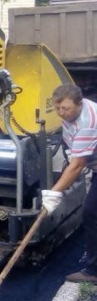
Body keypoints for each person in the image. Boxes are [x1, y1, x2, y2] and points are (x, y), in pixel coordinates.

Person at [41, 84, 97, 283]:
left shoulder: (87, 122)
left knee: (91, 212)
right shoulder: (71, 115)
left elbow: (77, 165)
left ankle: (93, 272)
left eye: (65, 108)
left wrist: (53, 193)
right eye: (57, 109)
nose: (61, 113)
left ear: (79, 104)